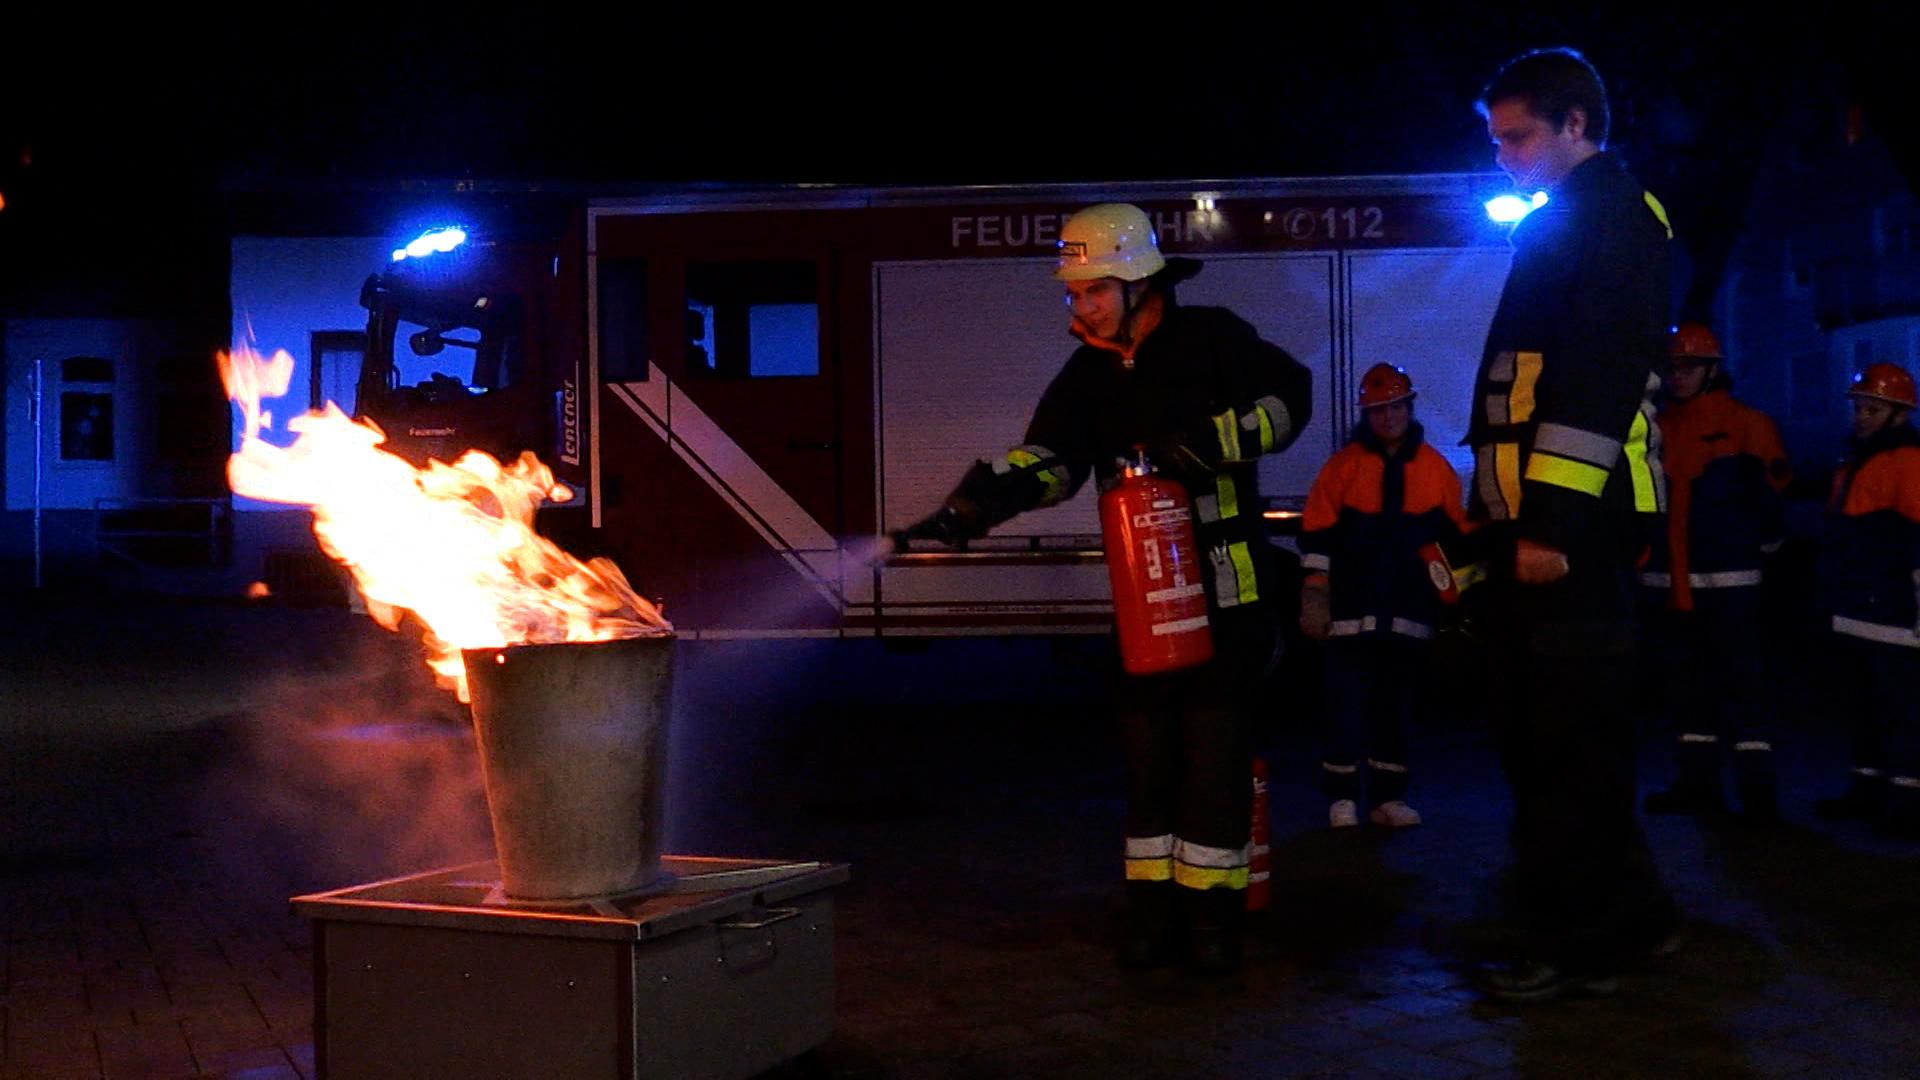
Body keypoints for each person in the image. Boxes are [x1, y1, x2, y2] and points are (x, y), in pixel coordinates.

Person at [900, 202, 1312, 973]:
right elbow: (1052, 460)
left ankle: (1213, 924)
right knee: (1148, 764)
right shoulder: (1088, 374)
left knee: (1214, 766)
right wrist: (976, 505)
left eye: (1094, 289)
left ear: (1139, 282)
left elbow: (1290, 398)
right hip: (1144, 605)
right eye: (1074, 291)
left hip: (1226, 598)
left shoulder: (1213, 340)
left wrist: (1209, 443)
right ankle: (1152, 918)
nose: (1081, 305)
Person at [1462, 47, 1681, 1002]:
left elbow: (1594, 378)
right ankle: (1632, 917)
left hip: (1571, 532)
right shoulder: (1583, 216)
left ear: (1576, 125)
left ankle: (1571, 944)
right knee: (1567, 736)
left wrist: (1546, 524)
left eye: (1516, 138)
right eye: (1496, 140)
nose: (1501, 156)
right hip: (1558, 525)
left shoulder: (1610, 218)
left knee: (1559, 742)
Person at [1298, 363, 1469, 830]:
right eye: (1378, 410)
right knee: (1344, 709)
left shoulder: (1435, 468)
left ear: (1409, 408)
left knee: (1394, 709)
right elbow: (1317, 535)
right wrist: (1315, 595)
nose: (1388, 416)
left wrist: (1459, 605)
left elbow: (1455, 539)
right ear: (1366, 415)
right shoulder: (1343, 467)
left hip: (1407, 612)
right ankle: (1341, 798)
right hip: (1349, 613)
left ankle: (1387, 799)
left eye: (1395, 407)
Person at [1639, 323, 1792, 825]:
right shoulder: (1658, 427)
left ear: (1711, 369)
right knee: (1686, 690)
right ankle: (1697, 785)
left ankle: (1758, 796)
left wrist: (1754, 559)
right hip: (1671, 584)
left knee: (1744, 689)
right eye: (1673, 368)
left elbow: (1774, 509)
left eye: (1688, 368)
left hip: (1731, 586)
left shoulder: (1748, 424)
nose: (1678, 377)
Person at [1812, 362, 1920, 839]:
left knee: (1901, 710)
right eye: (1858, 408)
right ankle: (1867, 790)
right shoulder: (1853, 460)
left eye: (1871, 409)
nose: (1860, 417)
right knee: (1862, 707)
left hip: (1894, 612)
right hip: (1857, 607)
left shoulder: (1908, 461)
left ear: (1899, 413)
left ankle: (1908, 803)